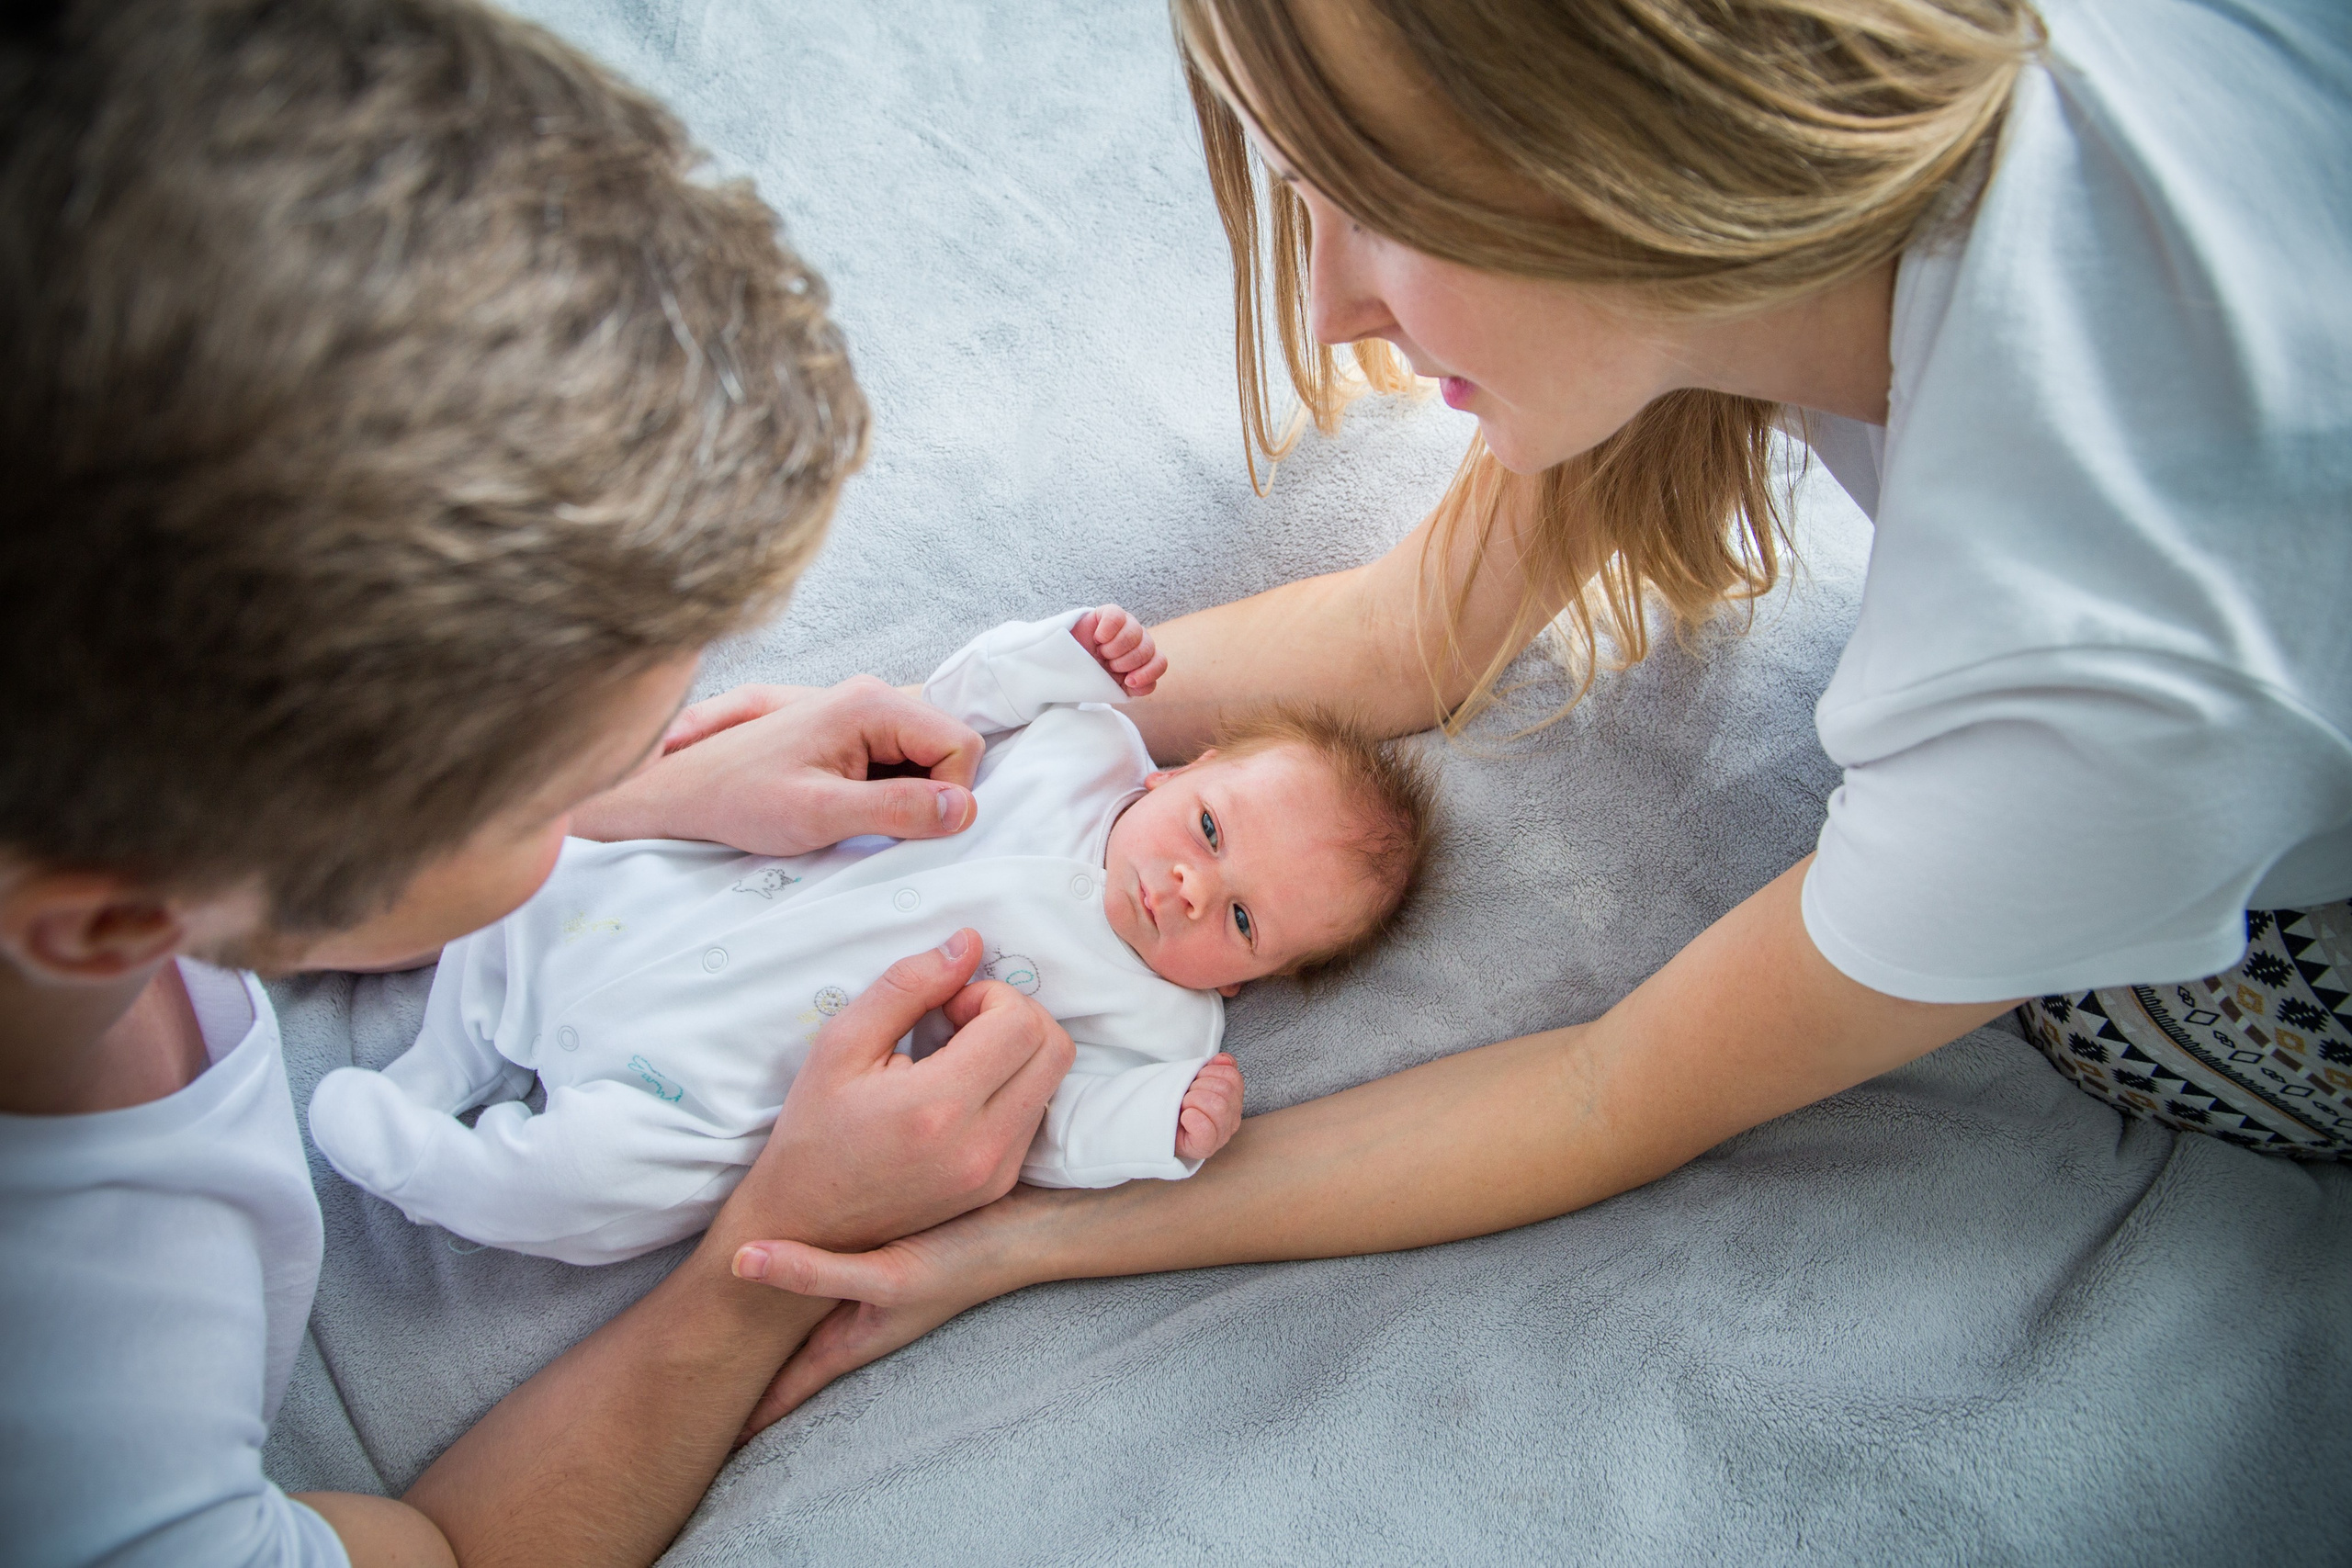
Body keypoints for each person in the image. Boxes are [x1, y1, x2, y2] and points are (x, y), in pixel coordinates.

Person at [726, 0, 2352, 1430]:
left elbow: (1612, 1088)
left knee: (2097, 999)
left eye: (1377, 217)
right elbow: (1410, 635)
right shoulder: (1803, 185)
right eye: (1306, 204)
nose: (1327, 317)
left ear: (1636, 166)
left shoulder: (2088, 685)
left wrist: (1030, 1238)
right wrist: (946, 723)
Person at [0, 1, 1079, 1562]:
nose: (659, 760)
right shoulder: (83, 1426)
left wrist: (622, 796)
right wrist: (775, 1244)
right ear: (116, 914)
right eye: (544, 790)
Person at [306, 606, 1427, 1264]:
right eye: (1211, 828)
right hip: (702, 904)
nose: (1189, 886)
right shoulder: (1084, 747)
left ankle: (441, 1170)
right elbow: (960, 699)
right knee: (551, 888)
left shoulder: (1163, 1023)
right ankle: (432, 1065)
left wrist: (1158, 1128)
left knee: (620, 1187)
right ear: (1186, 768)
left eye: (1241, 918)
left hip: (726, 1079)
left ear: (1266, 976)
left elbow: (1043, 1131)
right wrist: (1069, 653)